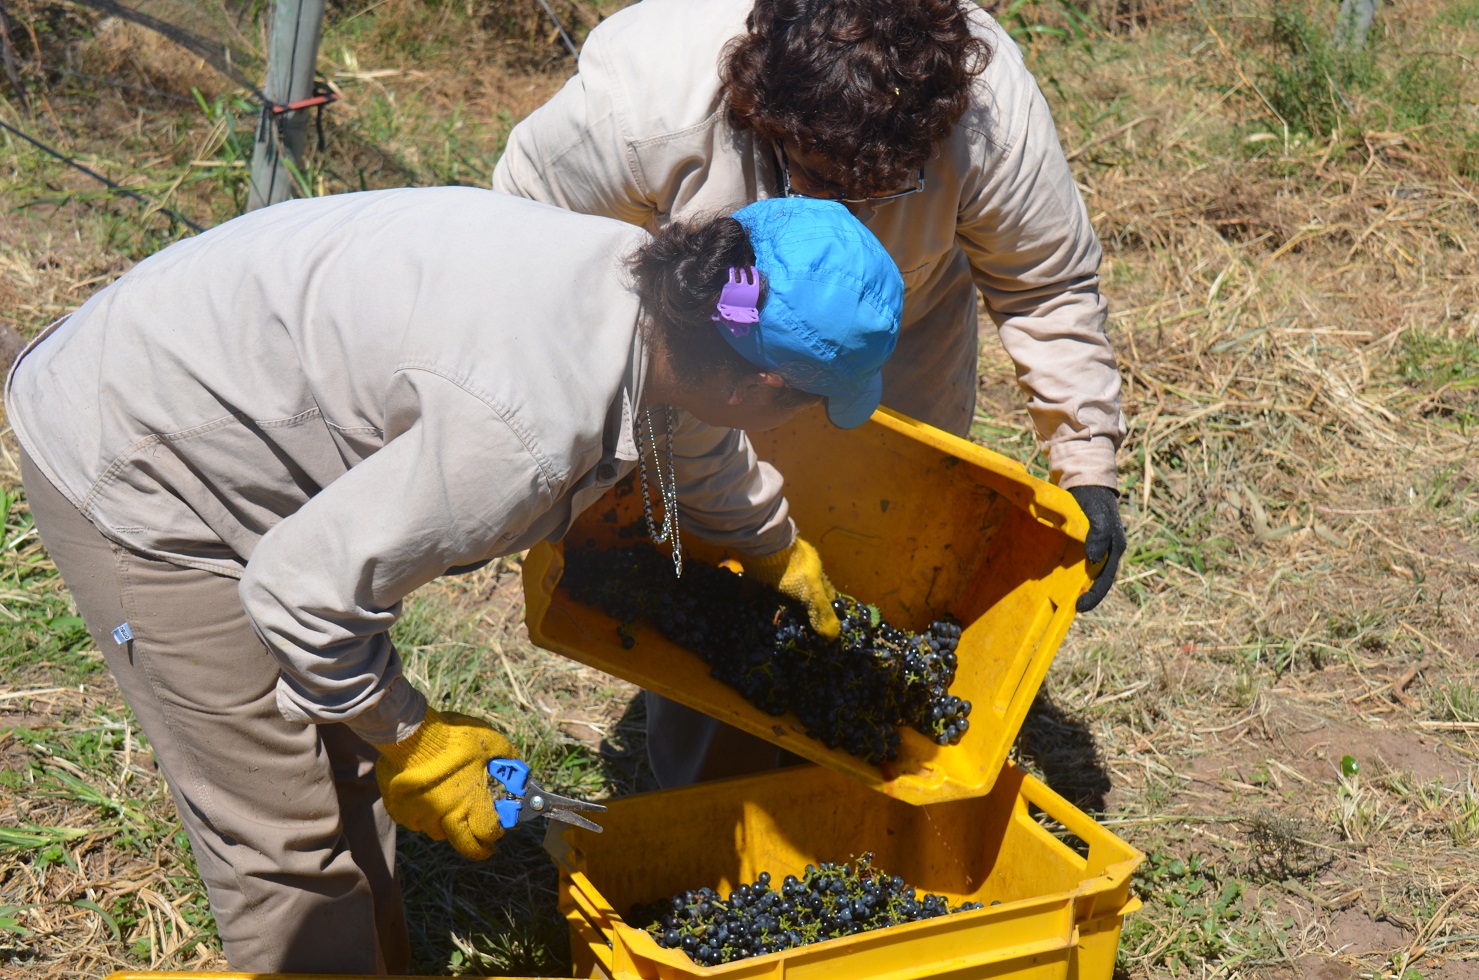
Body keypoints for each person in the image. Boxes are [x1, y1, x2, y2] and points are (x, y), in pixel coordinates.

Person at [3, 188, 903, 974]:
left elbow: (699, 430)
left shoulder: (669, 307)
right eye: (810, 398)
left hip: (241, 407)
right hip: (141, 460)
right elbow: (297, 598)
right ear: (761, 382)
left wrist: (772, 545)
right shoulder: (522, 430)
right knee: (281, 832)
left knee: (346, 759)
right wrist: (418, 739)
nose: (808, 417)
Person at [491, 0, 1129, 784]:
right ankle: (708, 795)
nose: (842, 211)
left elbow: (1045, 284)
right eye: (822, 178)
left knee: (884, 546)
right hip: (702, 318)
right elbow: (529, 243)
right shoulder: (643, 106)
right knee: (708, 550)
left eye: (878, 188)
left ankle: (853, 772)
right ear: (760, 112)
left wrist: (1085, 459)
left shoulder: (987, 113)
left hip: (896, 333)